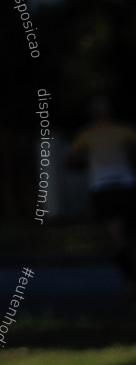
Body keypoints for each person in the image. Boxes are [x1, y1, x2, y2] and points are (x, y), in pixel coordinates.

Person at [68, 96, 136, 288]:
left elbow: (72, 162)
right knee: (127, 234)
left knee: (117, 237)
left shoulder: (86, 135)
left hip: (104, 187)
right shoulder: (124, 131)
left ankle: (130, 277)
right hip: (125, 184)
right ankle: (131, 276)